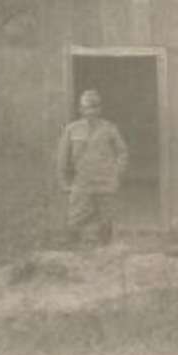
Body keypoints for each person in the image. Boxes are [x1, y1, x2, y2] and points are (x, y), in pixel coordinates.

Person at [57, 89, 129, 246]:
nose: (91, 112)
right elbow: (63, 157)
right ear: (80, 110)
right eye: (86, 108)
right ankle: (72, 253)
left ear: (100, 109)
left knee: (106, 218)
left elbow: (122, 152)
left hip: (105, 180)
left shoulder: (109, 128)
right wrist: (63, 180)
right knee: (75, 217)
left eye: (94, 107)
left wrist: (116, 173)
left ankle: (104, 252)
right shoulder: (72, 129)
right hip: (82, 180)